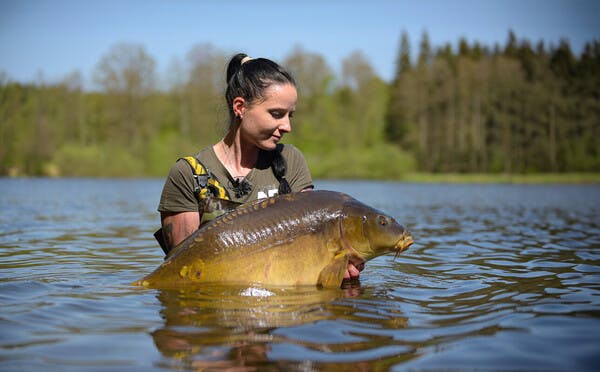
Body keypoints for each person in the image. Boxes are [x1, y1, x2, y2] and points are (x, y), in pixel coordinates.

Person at [156, 53, 363, 280]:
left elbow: (311, 241)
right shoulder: (188, 174)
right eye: (276, 114)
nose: (287, 126)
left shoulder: (290, 161)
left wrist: (333, 264)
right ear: (240, 107)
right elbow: (180, 271)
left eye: (290, 115)